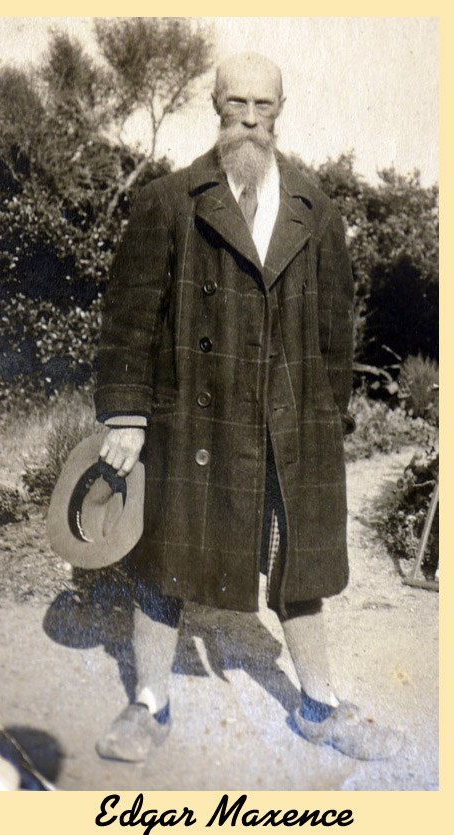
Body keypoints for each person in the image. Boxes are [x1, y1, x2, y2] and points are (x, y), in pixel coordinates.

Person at [93, 52, 401, 762]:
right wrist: (127, 417)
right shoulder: (168, 200)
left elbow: (334, 328)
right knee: (163, 556)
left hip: (287, 421)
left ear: (280, 111)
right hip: (194, 415)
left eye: (264, 106)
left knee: (303, 563)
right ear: (216, 105)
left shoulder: (316, 209)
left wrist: (327, 416)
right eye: (238, 103)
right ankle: (148, 704)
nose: (251, 119)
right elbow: (130, 319)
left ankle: (320, 706)